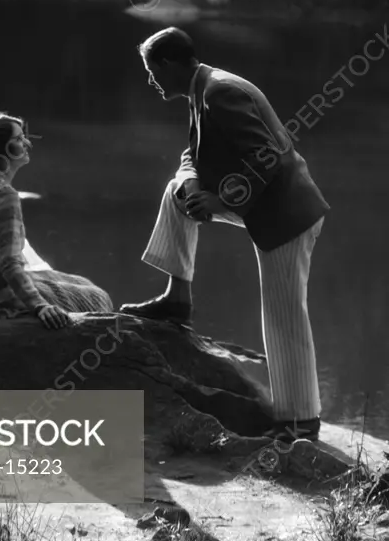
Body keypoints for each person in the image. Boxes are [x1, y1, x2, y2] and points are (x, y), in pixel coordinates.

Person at [120, 27, 329, 441]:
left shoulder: (220, 92)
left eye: (151, 72)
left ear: (168, 65)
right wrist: (194, 185)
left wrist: (219, 202)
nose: (150, 81)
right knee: (175, 192)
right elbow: (191, 154)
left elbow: (267, 156)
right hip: (259, 205)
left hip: (285, 214)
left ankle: (301, 422)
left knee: (284, 318)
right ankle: (177, 299)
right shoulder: (202, 90)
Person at [0, 111, 113, 327]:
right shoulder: (4, 194)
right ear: (2, 149)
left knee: (83, 283)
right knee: (98, 297)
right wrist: (40, 305)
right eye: (19, 139)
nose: (27, 143)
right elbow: (9, 264)